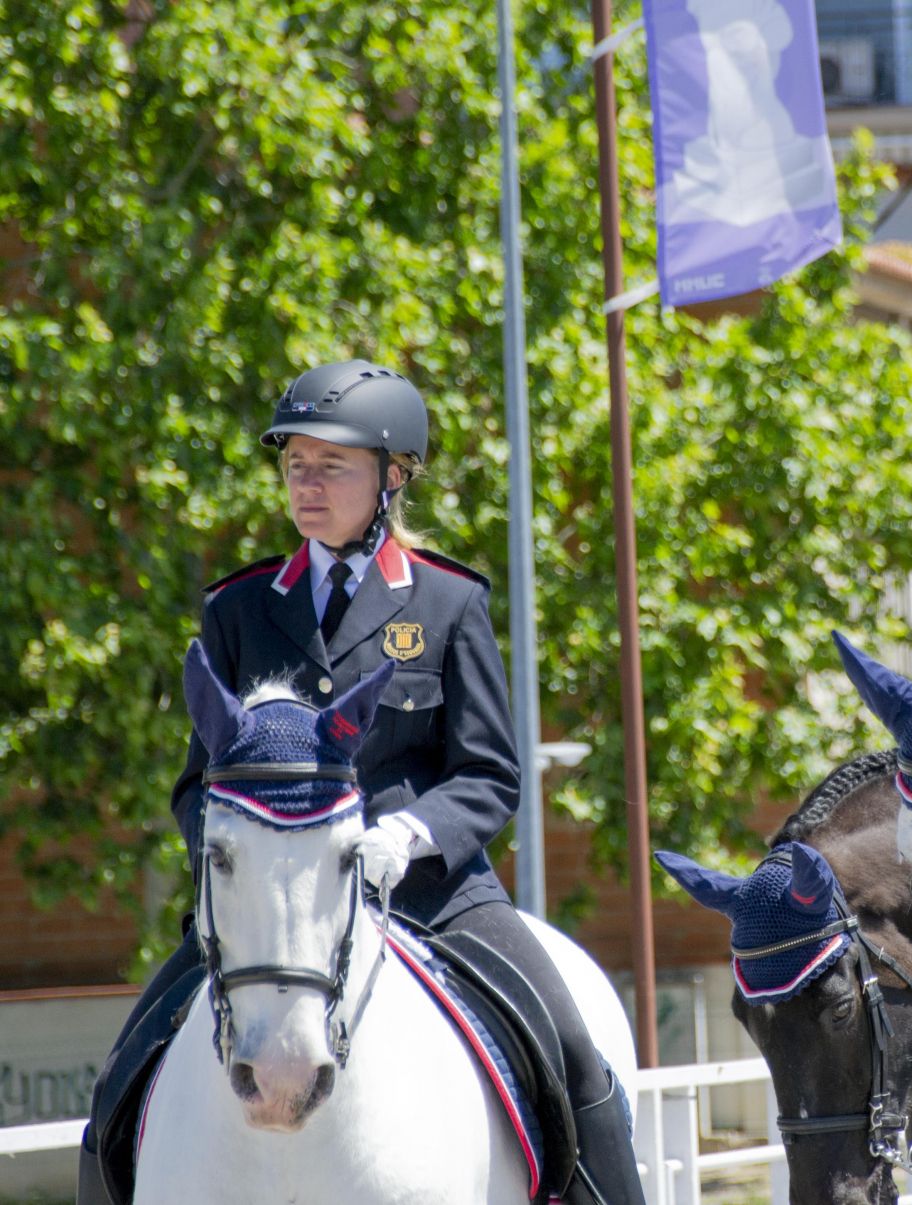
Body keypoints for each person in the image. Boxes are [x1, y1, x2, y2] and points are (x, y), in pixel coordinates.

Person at [79, 360, 644, 1205]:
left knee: (567, 1048)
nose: (307, 484)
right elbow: (196, 785)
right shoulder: (238, 610)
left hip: (428, 888)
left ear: (392, 476)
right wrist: (239, 857)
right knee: (119, 1085)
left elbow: (488, 773)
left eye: (331, 465)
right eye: (295, 464)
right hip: (273, 901)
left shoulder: (447, 604)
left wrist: (403, 838)